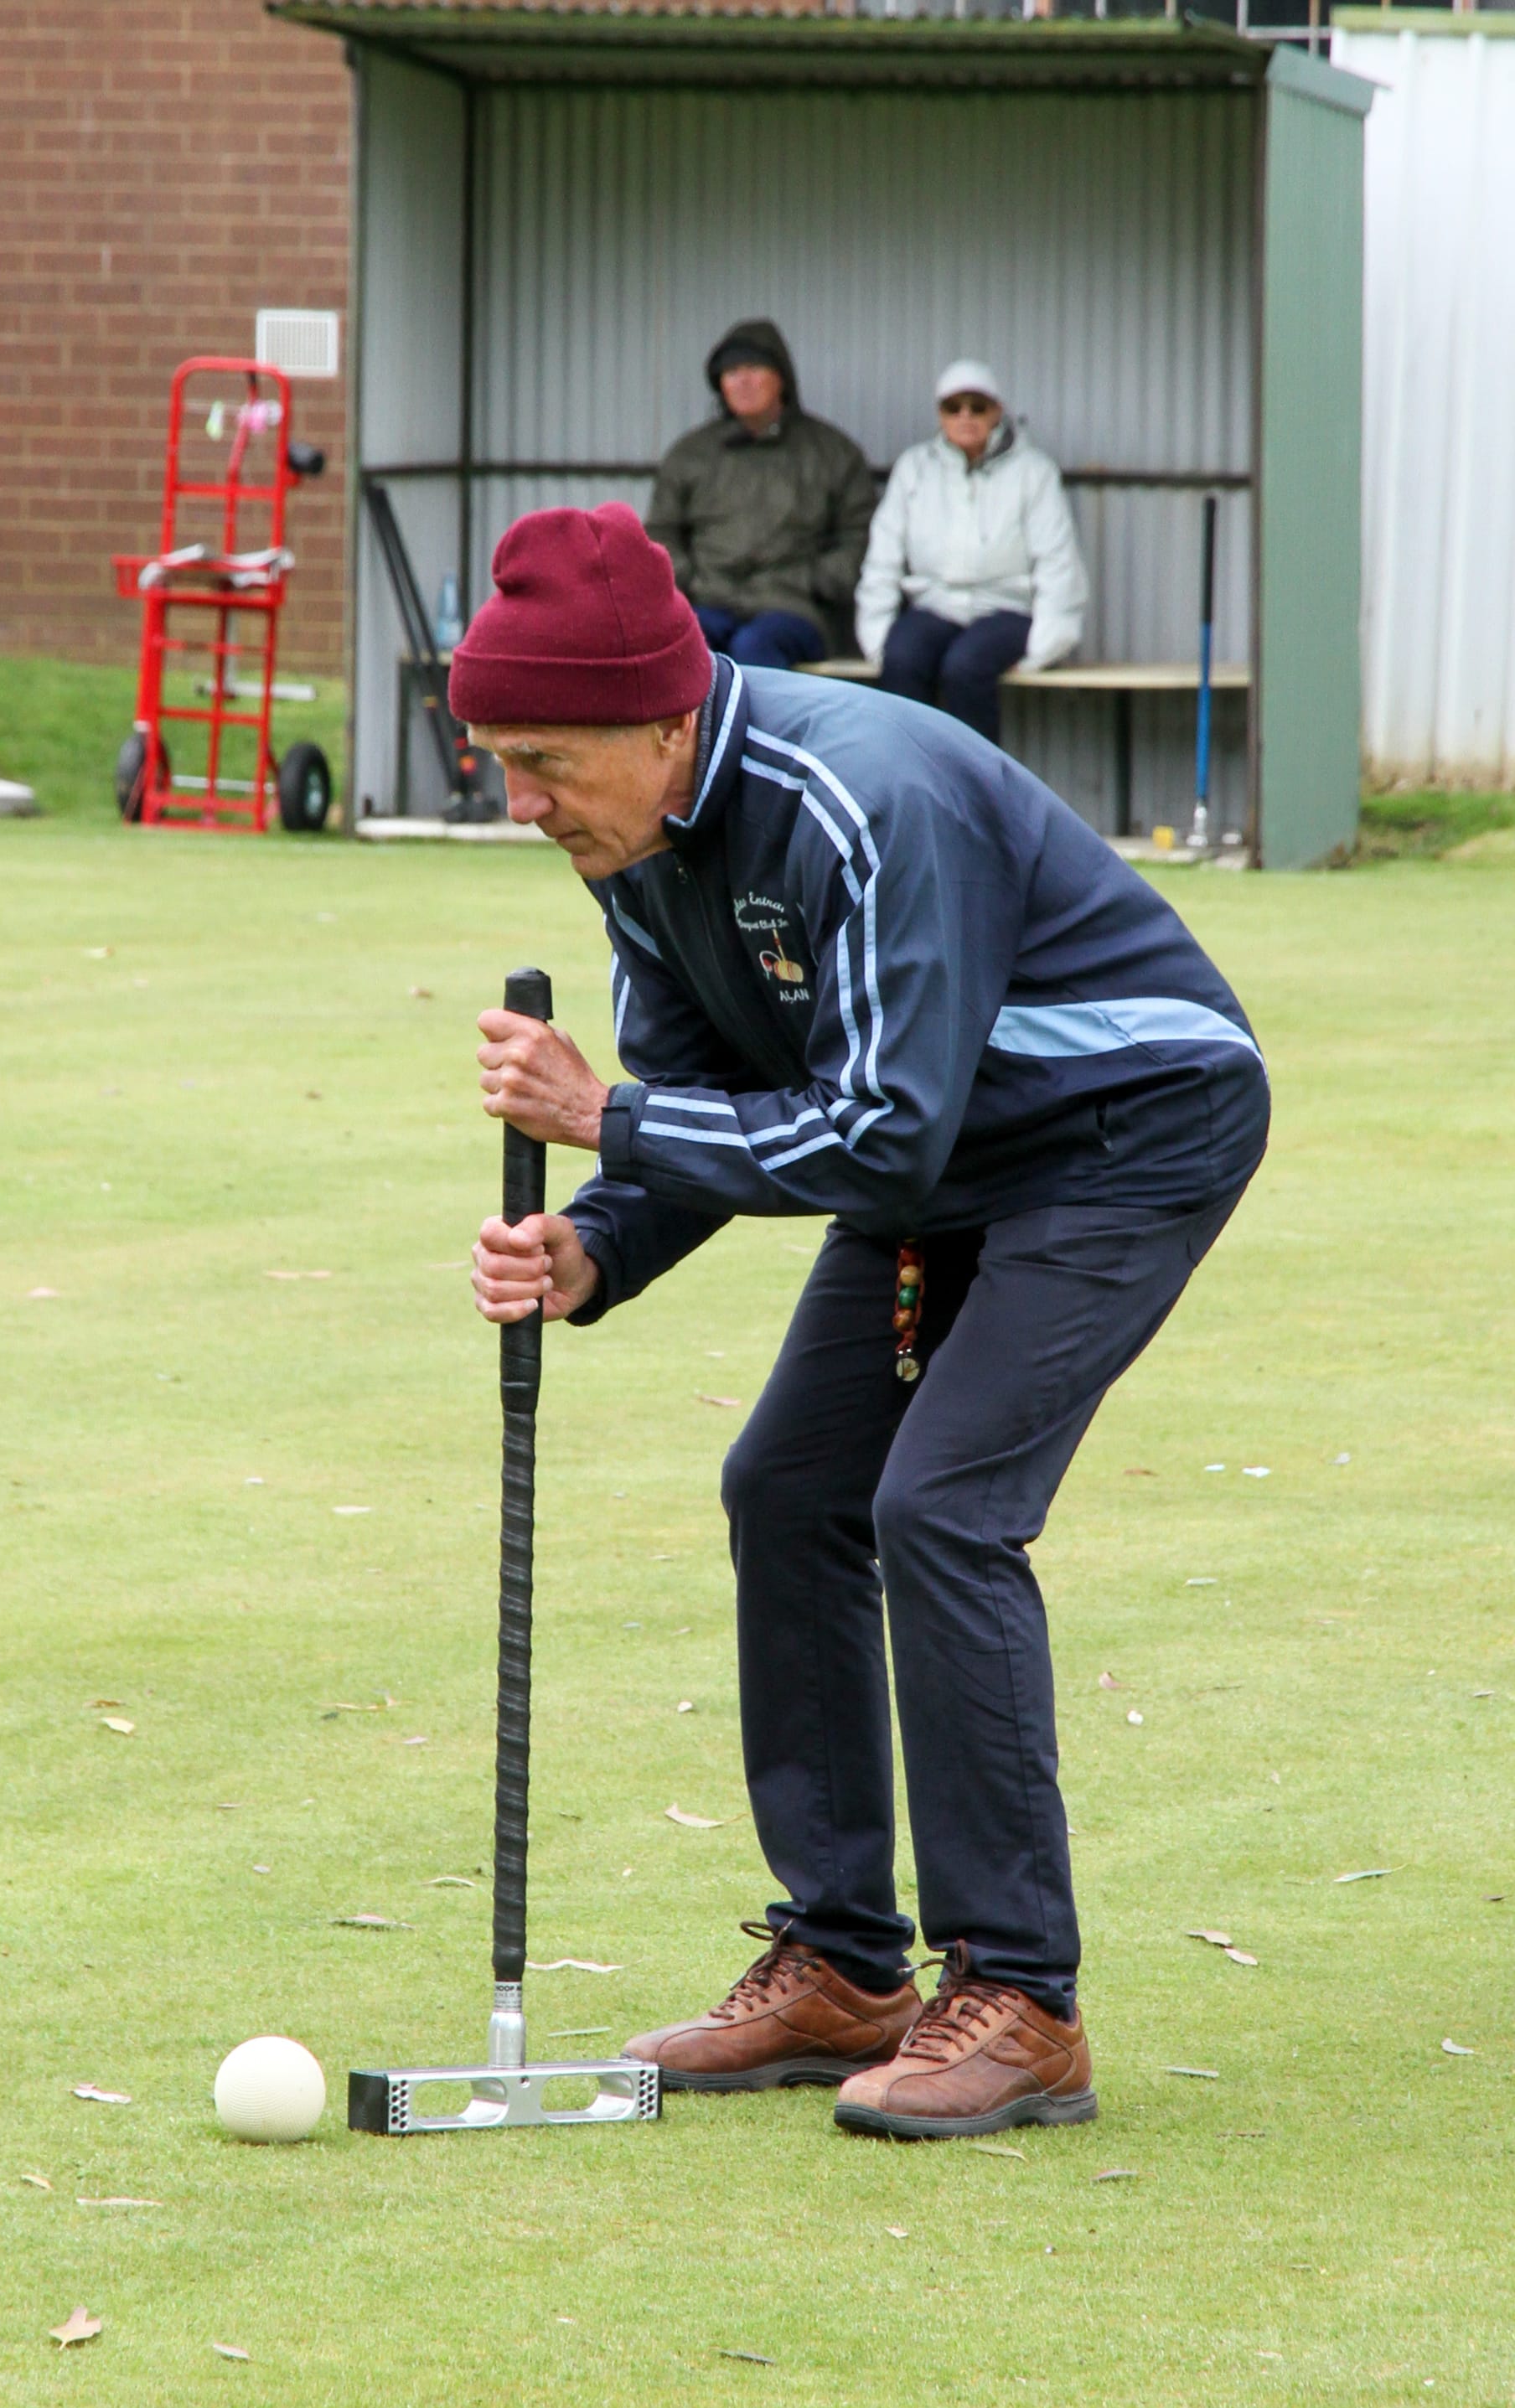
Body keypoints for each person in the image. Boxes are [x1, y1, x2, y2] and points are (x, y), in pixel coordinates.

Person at [452, 504, 1269, 2142]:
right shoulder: (638, 848)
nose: (518, 800)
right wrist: (596, 1246)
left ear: (663, 719)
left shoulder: (864, 796)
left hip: (1124, 1131)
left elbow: (873, 1132)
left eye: (543, 759)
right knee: (790, 1488)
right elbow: (712, 1104)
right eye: (496, 760)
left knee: (943, 1504)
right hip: (948, 1162)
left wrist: (604, 1124)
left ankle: (1023, 1999)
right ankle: (841, 1963)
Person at [856, 359, 1088, 747]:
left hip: (1007, 609)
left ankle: (976, 793)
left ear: (997, 410)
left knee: (965, 666)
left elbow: (1058, 561)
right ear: (940, 414)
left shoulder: (1033, 472)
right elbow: (883, 556)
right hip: (934, 605)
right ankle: (906, 782)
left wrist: (1045, 646)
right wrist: (877, 636)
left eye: (977, 406)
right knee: (902, 660)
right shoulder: (914, 469)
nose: (966, 416)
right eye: (953, 407)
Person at [646, 319, 876, 672]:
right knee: (683, 645)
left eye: (754, 368)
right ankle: (696, 731)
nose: (743, 381)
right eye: (732, 371)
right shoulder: (691, 454)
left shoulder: (832, 452)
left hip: (794, 609)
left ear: (782, 377)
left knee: (754, 647)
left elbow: (859, 534)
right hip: (708, 602)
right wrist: (691, 581)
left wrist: (816, 581)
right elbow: (660, 534)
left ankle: (751, 731)